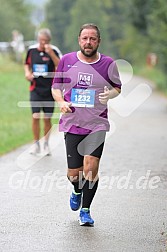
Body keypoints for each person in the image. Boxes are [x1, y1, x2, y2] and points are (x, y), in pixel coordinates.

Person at [52, 23, 121, 226]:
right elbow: (56, 87)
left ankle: (86, 210)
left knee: (91, 167)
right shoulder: (67, 60)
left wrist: (111, 94)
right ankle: (76, 190)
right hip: (73, 123)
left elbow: (117, 87)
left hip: (97, 123)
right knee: (74, 174)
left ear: (98, 41)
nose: (88, 42)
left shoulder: (108, 64)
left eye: (92, 38)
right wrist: (61, 102)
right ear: (79, 40)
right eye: (85, 38)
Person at [24, 28, 62, 155]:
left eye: (46, 41)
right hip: (35, 88)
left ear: (49, 41)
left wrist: (50, 53)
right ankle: (36, 144)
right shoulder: (32, 50)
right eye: (41, 41)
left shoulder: (54, 50)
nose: (43, 43)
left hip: (50, 90)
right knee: (35, 116)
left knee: (47, 118)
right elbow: (26, 64)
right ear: (38, 40)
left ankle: (46, 143)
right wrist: (27, 73)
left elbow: (60, 65)